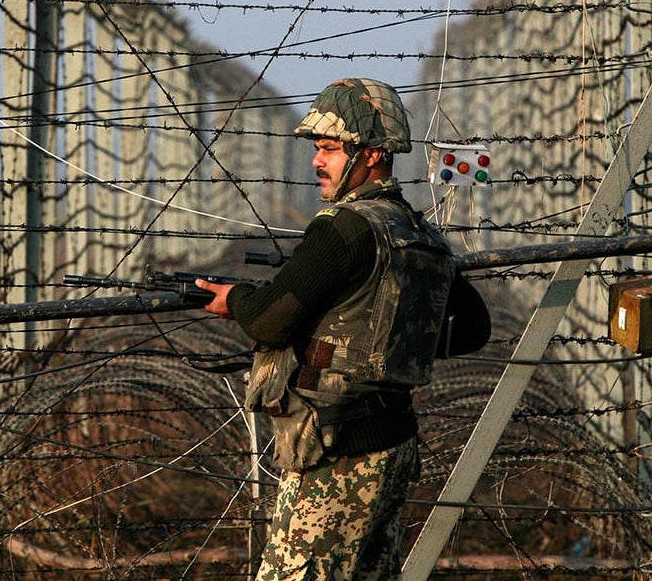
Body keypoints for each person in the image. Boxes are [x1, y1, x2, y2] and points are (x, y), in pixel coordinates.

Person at [195, 78, 456, 580]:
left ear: (373, 154)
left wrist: (235, 300)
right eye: (318, 149)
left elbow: (272, 318)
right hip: (394, 443)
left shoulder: (344, 228)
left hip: (336, 451)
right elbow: (469, 327)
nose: (318, 161)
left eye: (331, 149)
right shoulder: (420, 232)